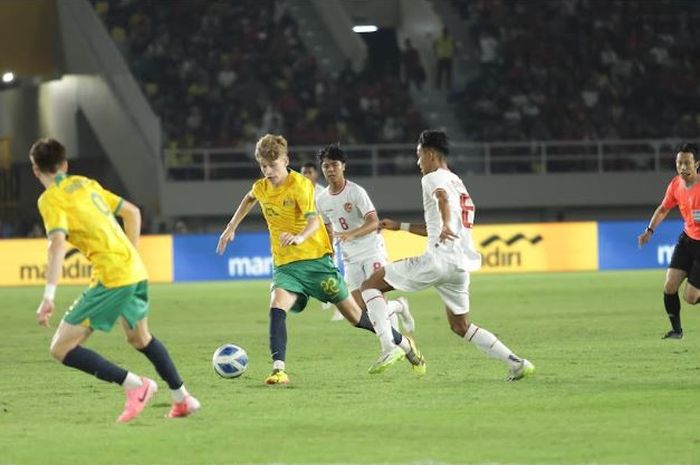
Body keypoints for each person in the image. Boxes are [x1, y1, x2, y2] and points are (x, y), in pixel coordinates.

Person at [216, 134, 425, 385]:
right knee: (276, 306)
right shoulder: (261, 186)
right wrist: (231, 227)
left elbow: (314, 221)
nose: (268, 171)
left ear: (286, 160)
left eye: (273, 165)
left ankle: (404, 344)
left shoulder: (300, 186)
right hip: (285, 266)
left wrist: (299, 237)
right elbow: (250, 197)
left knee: (356, 318)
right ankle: (278, 370)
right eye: (263, 166)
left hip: (316, 263)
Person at [29, 138, 199, 423]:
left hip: (112, 277)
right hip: (134, 268)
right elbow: (132, 212)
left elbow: (56, 244)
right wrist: (130, 252)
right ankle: (183, 398)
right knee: (139, 337)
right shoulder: (86, 184)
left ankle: (136, 385)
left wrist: (48, 295)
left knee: (60, 348)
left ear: (36, 171)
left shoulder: (50, 198)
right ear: (65, 164)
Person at [360, 130, 535, 381]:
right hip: (459, 266)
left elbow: (442, 201)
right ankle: (517, 363)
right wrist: (400, 226)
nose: (418, 163)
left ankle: (389, 347)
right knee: (460, 326)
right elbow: (436, 225)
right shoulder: (458, 183)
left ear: (430, 155)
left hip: (437, 260)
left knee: (370, 286)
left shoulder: (433, 178)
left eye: (419, 156)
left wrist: (447, 225)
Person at [315, 144, 415, 334]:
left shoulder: (355, 192)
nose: (330, 169)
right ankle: (400, 306)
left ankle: (394, 343)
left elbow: (373, 221)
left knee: (377, 296)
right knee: (357, 307)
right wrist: (329, 252)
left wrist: (350, 234)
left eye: (334, 165)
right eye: (326, 166)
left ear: (343, 166)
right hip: (349, 256)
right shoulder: (321, 199)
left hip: (371, 250)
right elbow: (328, 229)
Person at [638, 143, 700, 339]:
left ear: (696, 164)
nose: (683, 167)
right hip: (687, 240)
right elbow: (663, 209)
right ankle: (677, 331)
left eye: (687, 163)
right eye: (679, 163)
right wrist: (649, 230)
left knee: (690, 298)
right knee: (669, 286)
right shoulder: (675, 185)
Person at [301, 161, 337, 316]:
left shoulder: (323, 193)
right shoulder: (299, 191)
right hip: (308, 239)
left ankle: (338, 303)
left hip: (324, 237)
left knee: (331, 270)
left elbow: (329, 219)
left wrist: (331, 241)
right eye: (304, 172)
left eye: (309, 172)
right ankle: (326, 298)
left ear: (316, 174)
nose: (306, 175)